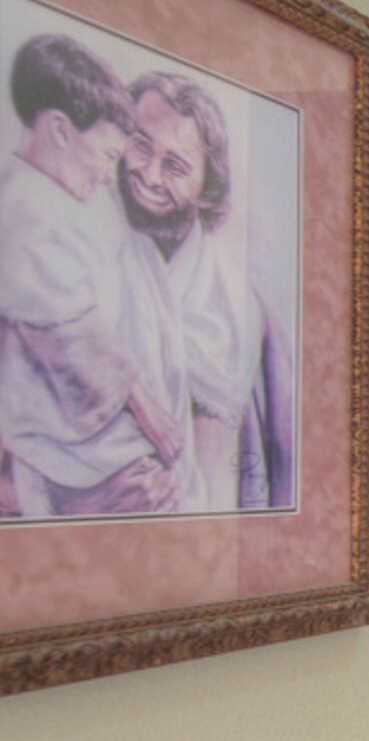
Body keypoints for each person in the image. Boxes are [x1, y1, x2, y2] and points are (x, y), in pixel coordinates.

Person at [0, 31, 187, 515]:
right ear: (60, 130)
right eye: (107, 156)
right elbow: (70, 337)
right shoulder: (27, 208)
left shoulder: (66, 194)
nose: (111, 175)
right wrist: (145, 405)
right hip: (62, 444)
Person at [117, 69, 293, 510]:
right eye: (140, 145)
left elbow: (222, 495)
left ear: (207, 191)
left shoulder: (234, 309)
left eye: (175, 166)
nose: (149, 176)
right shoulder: (76, 245)